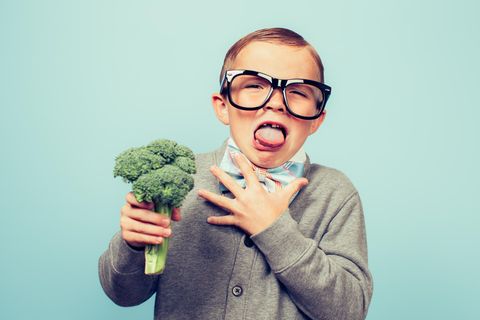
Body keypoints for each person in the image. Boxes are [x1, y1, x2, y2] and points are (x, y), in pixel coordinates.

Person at [99, 27, 373, 320]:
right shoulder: (179, 181)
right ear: (223, 106)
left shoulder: (334, 194)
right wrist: (133, 244)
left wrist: (274, 230)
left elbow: (348, 310)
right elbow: (123, 294)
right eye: (255, 85)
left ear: (317, 119)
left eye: (297, 91)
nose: (276, 102)